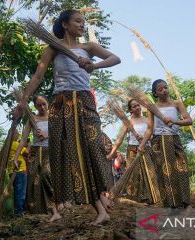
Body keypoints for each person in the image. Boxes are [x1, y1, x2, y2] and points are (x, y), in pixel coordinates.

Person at [13, 9, 121, 225]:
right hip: (61, 104)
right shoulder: (53, 48)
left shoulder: (88, 47)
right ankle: (98, 209)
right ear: (64, 24)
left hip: (84, 102)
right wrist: (23, 101)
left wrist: (93, 65)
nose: (82, 25)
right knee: (69, 153)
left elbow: (115, 58)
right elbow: (38, 75)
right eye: (77, 21)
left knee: (92, 149)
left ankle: (101, 199)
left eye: (83, 21)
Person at [14, 95, 61, 222]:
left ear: (48, 103)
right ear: (35, 106)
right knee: (34, 179)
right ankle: (40, 209)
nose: (42, 107)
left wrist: (46, 135)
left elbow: (61, 134)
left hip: (50, 151)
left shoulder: (54, 116)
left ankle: (57, 206)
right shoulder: (32, 119)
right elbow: (23, 139)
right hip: (35, 152)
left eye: (44, 104)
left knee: (47, 174)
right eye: (39, 105)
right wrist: (16, 157)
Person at [107, 99, 160, 204]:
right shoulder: (128, 122)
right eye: (134, 106)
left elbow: (153, 136)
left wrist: (146, 138)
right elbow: (120, 139)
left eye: (138, 105)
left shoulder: (147, 119)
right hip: (132, 149)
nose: (137, 108)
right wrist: (113, 152)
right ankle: (134, 199)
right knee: (134, 174)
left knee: (149, 172)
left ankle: (152, 198)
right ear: (130, 110)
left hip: (145, 148)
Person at [150, 79, 192, 208]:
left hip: (174, 139)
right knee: (163, 171)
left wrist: (174, 121)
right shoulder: (153, 108)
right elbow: (150, 128)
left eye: (165, 87)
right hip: (158, 141)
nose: (164, 90)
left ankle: (186, 202)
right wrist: (143, 143)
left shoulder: (177, 103)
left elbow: (189, 120)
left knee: (182, 168)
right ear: (155, 93)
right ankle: (170, 203)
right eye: (160, 89)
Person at [7, 130, 28, 216]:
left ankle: (17, 211)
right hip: (19, 170)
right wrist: (29, 145)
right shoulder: (15, 144)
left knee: (17, 191)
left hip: (11, 171)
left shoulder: (8, 145)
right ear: (12, 135)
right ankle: (19, 211)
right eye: (16, 133)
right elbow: (26, 152)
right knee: (21, 192)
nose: (18, 134)